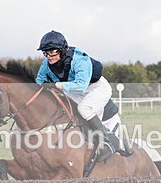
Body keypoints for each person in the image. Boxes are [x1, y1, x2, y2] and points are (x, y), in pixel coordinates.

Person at [34, 30, 122, 162]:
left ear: (62, 50)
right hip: (74, 90)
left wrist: (55, 85)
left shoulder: (80, 59)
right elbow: (39, 81)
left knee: (84, 109)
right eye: (46, 52)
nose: (49, 56)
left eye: (52, 52)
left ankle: (106, 143)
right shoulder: (46, 64)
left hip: (96, 88)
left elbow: (81, 85)